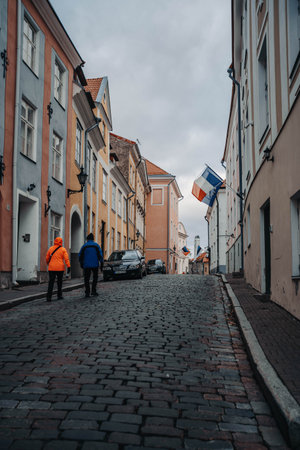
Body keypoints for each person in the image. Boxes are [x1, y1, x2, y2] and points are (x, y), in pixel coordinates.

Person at [46, 237, 71, 302]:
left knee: (51, 282)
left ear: (55, 241)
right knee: (59, 282)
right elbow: (66, 259)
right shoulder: (63, 249)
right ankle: (59, 295)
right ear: (61, 242)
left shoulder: (51, 248)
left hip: (51, 268)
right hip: (60, 268)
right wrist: (68, 266)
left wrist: (48, 263)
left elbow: (47, 257)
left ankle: (49, 297)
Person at [79, 233, 103, 298]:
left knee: (86, 279)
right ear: (93, 239)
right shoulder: (96, 246)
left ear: (87, 239)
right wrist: (101, 263)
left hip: (86, 265)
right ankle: (93, 291)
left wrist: (81, 263)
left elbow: (80, 255)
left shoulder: (84, 246)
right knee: (95, 278)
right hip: (95, 264)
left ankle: (87, 292)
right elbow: (100, 255)